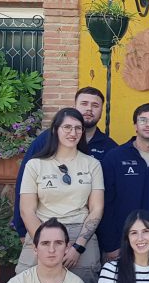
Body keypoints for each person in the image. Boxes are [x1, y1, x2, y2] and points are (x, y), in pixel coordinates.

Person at [17, 108, 105, 283]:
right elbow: (27, 210)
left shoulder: (92, 164)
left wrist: (77, 247)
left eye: (77, 128)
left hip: (79, 232)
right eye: (67, 127)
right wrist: (48, 244)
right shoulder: (35, 164)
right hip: (42, 230)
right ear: (55, 130)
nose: (73, 133)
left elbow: (96, 209)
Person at [13, 87, 117, 237]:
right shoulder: (45, 140)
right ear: (74, 106)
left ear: (102, 110)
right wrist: (23, 231)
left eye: (95, 105)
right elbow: (23, 186)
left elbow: (113, 196)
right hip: (44, 228)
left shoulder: (110, 148)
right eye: (84, 103)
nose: (89, 109)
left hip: (93, 232)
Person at [98, 103, 149, 261]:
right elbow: (105, 203)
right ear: (135, 125)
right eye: (142, 120)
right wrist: (110, 245)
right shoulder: (115, 157)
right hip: (120, 245)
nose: (148, 124)